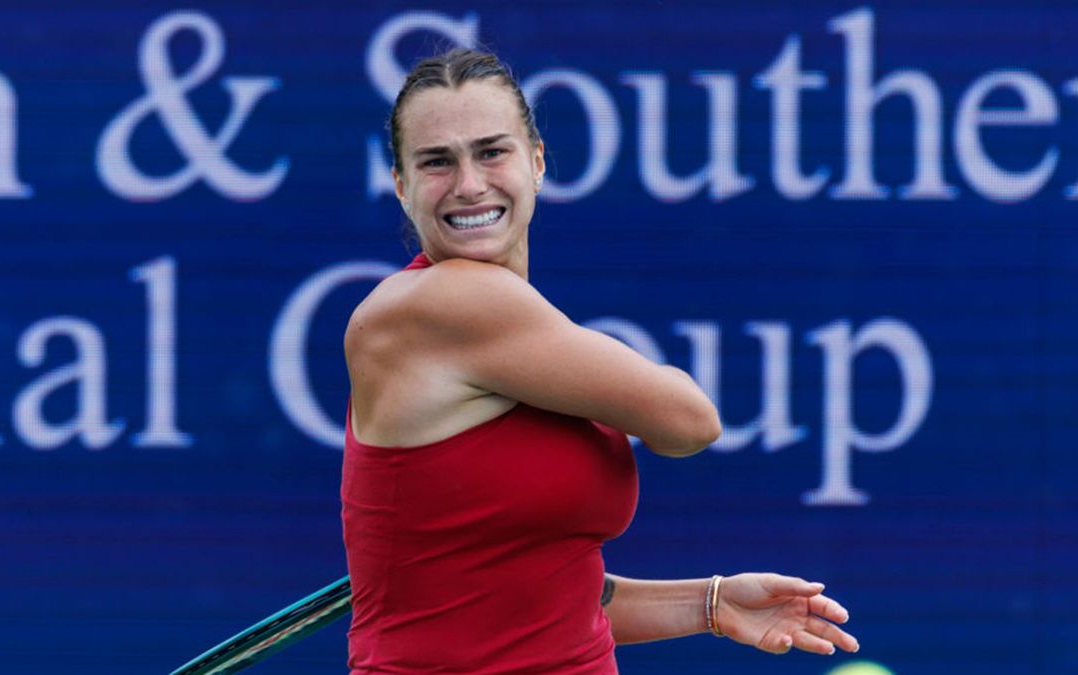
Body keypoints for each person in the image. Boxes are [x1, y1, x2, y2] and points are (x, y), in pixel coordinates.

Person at [340, 48, 859, 674]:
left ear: (536, 162)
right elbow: (688, 420)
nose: (470, 183)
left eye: (491, 151)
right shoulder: (440, 304)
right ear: (401, 185)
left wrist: (712, 603)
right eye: (437, 162)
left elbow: (549, 599)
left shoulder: (499, 328)